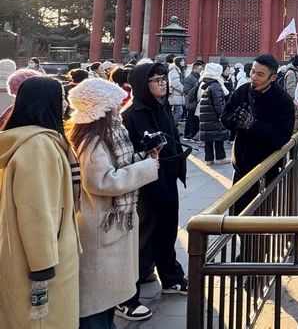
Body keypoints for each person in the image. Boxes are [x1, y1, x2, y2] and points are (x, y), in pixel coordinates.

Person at [66, 79, 160, 326]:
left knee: (104, 301)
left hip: (107, 222)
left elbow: (116, 166)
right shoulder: (93, 140)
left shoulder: (102, 135)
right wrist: (147, 167)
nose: (119, 110)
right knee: (96, 303)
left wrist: (142, 158)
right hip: (100, 223)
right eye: (114, 105)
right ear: (102, 108)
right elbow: (101, 181)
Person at [0, 76, 81, 328]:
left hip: (29, 251)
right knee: (44, 320)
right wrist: (42, 266)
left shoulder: (29, 140)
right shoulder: (39, 146)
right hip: (43, 257)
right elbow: (36, 210)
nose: (65, 105)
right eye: (61, 99)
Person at [119, 62, 190, 318]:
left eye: (163, 79)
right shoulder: (129, 115)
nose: (163, 83)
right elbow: (124, 156)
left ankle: (171, 278)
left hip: (168, 180)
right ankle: (126, 296)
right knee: (140, 241)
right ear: (142, 84)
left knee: (167, 233)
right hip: (145, 187)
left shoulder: (162, 107)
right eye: (157, 80)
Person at [221, 54, 295, 215]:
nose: (254, 77)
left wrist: (254, 125)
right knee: (237, 214)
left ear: (273, 77)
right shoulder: (242, 91)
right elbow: (224, 116)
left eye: (260, 74)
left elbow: (283, 136)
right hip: (240, 164)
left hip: (266, 167)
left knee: (259, 216)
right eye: (253, 72)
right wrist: (236, 121)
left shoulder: (283, 101)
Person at [196, 63, 230, 166]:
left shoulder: (205, 83)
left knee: (208, 138)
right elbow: (218, 103)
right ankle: (220, 157)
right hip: (214, 116)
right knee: (218, 137)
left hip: (206, 116)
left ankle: (208, 158)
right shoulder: (215, 85)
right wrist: (223, 114)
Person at [182, 61, 204, 141]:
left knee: (190, 119)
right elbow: (186, 91)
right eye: (200, 69)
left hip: (195, 101)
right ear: (194, 69)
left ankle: (187, 134)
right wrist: (196, 90)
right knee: (192, 119)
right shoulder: (190, 78)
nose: (201, 70)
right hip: (191, 101)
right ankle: (192, 135)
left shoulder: (198, 77)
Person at [167, 57, 186, 126]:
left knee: (176, 111)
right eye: (182, 61)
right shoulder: (174, 71)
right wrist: (183, 89)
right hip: (175, 94)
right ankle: (173, 126)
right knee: (179, 111)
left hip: (177, 94)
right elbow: (175, 83)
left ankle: (174, 127)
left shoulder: (179, 70)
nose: (183, 62)